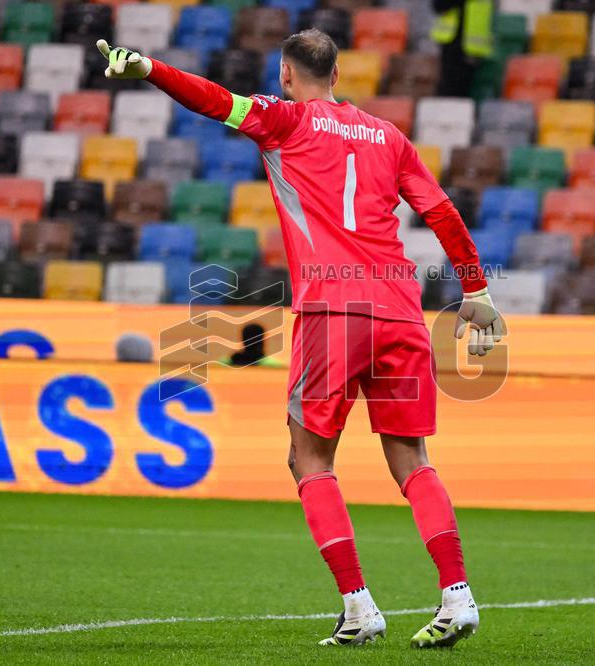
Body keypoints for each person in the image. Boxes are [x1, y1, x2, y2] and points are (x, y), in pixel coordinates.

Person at [95, 30, 502, 648]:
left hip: (333, 314)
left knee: (308, 457)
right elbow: (442, 211)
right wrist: (475, 290)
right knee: (412, 461)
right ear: (336, 75)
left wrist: (149, 67)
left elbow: (211, 98)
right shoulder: (390, 138)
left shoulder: (281, 121)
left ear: (286, 74)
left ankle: (359, 607)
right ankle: (458, 595)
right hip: (399, 312)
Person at [431, 0, 495, 97]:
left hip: (473, 46)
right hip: (451, 43)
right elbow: (438, 6)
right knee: (448, 87)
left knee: (467, 89)